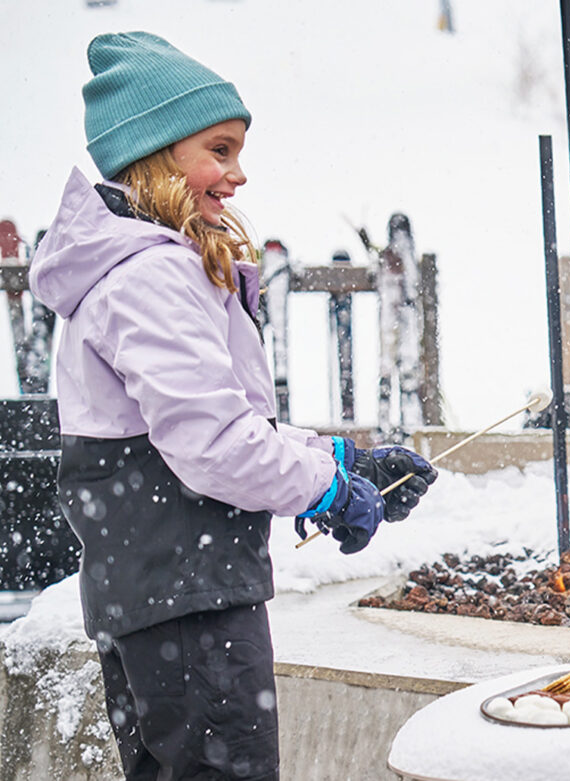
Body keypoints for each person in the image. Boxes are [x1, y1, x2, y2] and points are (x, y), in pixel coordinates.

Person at [29, 32, 439, 780]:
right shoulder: (150, 275)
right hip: (190, 608)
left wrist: (342, 460)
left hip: (157, 599)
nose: (237, 174)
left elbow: (208, 425)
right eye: (218, 150)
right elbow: (213, 445)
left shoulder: (132, 267)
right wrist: (325, 491)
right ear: (155, 156)